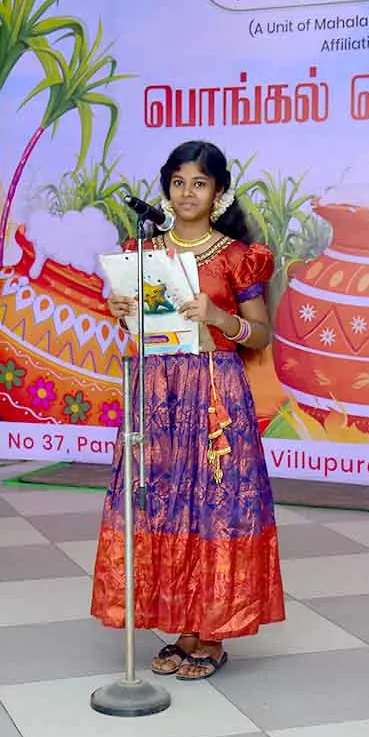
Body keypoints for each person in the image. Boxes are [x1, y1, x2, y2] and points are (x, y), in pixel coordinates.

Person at [91, 140, 285, 681]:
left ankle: (212, 634)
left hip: (214, 394)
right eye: (178, 183)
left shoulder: (237, 256)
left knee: (212, 504)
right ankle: (182, 629)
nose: (187, 193)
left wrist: (221, 319)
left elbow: (261, 335)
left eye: (199, 183)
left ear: (218, 193)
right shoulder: (142, 252)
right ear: (167, 189)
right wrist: (122, 311)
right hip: (157, 394)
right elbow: (141, 325)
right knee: (164, 502)